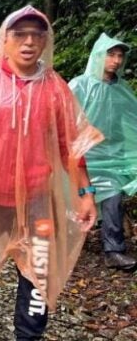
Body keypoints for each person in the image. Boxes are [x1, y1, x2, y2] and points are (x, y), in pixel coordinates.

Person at [0, 6, 102, 340]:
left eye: (37, 35)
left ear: (46, 41)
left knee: (39, 267)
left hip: (36, 201)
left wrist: (85, 195)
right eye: (20, 34)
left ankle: (28, 333)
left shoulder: (56, 88)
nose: (29, 42)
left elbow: (71, 146)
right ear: (5, 39)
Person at [69, 33, 137, 271]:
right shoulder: (80, 85)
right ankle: (65, 245)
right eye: (111, 54)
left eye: (120, 56)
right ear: (99, 55)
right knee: (71, 199)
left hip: (113, 158)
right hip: (84, 157)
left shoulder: (122, 89)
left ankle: (114, 251)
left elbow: (130, 121)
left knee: (113, 199)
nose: (116, 60)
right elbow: (66, 119)